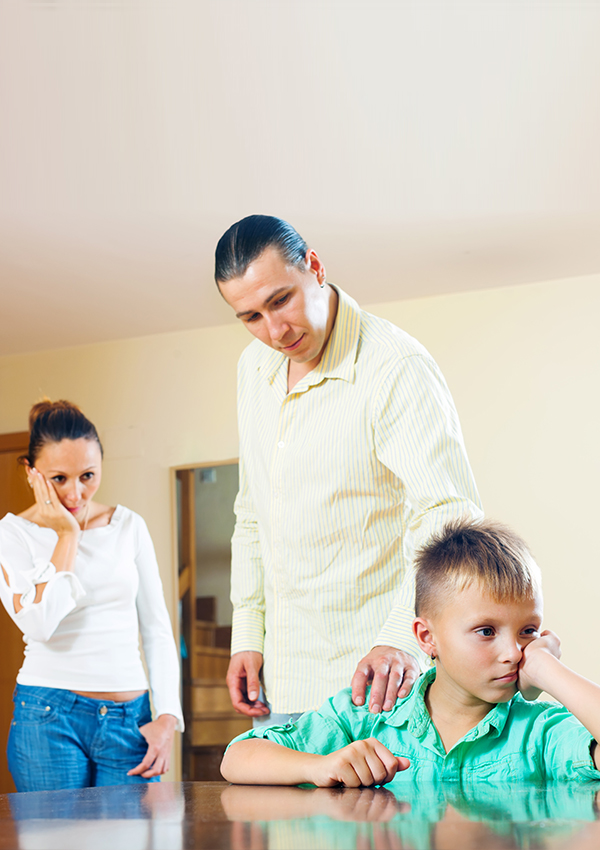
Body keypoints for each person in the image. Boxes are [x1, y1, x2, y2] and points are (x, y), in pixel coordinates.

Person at [215, 214, 482, 725]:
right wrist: (247, 633)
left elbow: (450, 518)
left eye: (280, 300)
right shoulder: (252, 369)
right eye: (250, 316)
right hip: (281, 685)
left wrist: (398, 639)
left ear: (314, 267)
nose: (274, 331)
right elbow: (252, 512)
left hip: (376, 683)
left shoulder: (395, 366)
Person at [221, 518, 600, 786]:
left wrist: (546, 668)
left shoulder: (540, 729)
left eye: (528, 631)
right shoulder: (370, 716)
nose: (514, 653)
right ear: (426, 637)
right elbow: (237, 758)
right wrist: (319, 766)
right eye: (486, 631)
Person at [0, 400, 183, 791]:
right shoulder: (12, 534)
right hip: (47, 716)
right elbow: (39, 624)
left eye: (88, 475)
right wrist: (68, 535)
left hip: (129, 720)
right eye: (59, 478)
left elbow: (156, 627)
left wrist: (168, 716)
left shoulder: (129, 525)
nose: (75, 492)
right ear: (32, 474)